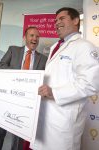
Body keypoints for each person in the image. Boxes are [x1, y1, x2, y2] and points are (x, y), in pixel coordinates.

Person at [31, 7, 99, 150]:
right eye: (56, 20)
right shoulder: (56, 46)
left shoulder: (85, 47)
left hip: (64, 121)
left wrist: (54, 92)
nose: (56, 23)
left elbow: (90, 84)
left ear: (75, 20)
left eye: (62, 19)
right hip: (46, 115)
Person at [0, 26, 47, 150]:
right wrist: (20, 75)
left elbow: (44, 79)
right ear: (25, 38)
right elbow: (0, 66)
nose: (35, 39)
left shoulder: (43, 59)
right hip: (7, 99)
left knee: (18, 138)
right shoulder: (13, 50)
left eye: (37, 36)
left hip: (26, 104)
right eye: (32, 35)